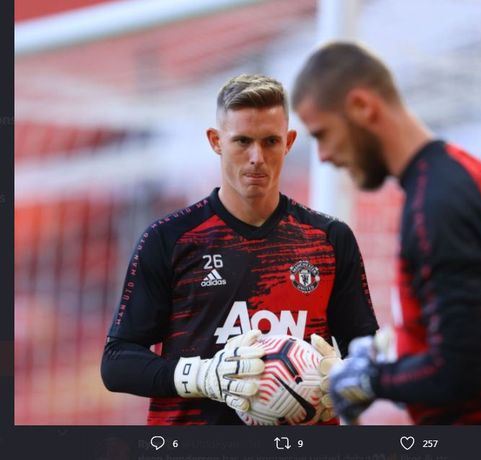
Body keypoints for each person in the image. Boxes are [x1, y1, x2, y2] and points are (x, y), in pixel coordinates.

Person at [292, 42, 481, 424]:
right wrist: (400, 353)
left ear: (362, 107)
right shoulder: (470, 176)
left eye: (322, 134)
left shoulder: (436, 206)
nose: (323, 156)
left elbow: (457, 371)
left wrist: (372, 379)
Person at [101, 74, 378, 425]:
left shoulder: (329, 239)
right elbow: (117, 363)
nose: (256, 157)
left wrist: (342, 380)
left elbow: (368, 357)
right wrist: (203, 376)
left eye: (270, 141)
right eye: (242, 141)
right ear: (216, 141)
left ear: (289, 142)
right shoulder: (170, 239)